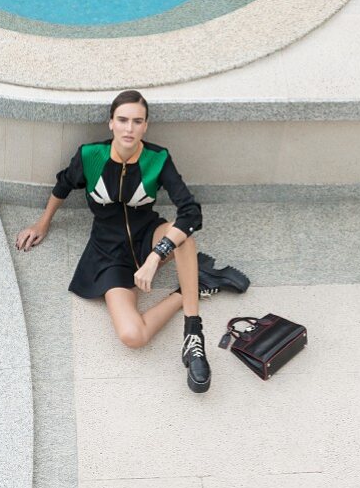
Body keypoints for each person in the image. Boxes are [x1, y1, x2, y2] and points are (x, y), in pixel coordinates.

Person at [14, 90, 249, 393]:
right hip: (108, 253)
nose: (129, 128)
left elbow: (191, 212)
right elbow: (63, 185)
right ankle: (193, 286)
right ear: (110, 123)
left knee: (184, 239)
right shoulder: (90, 156)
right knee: (132, 336)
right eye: (123, 120)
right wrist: (42, 223)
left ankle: (193, 338)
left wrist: (156, 256)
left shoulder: (157, 159)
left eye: (137, 121)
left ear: (145, 126)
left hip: (148, 236)